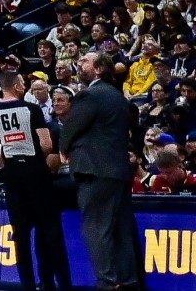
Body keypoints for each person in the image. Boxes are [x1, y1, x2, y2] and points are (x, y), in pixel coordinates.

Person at [59, 52, 144, 291]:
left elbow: (72, 126)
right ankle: (127, 281)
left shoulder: (90, 94)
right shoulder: (117, 95)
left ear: (98, 70)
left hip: (95, 170)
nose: (79, 63)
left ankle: (107, 282)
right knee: (120, 229)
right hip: (118, 171)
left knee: (96, 227)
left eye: (85, 61)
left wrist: (63, 147)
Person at [0, 71, 70, 291]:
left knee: (20, 237)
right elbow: (47, 144)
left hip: (12, 174)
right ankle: (62, 284)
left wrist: (7, 160)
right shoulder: (31, 109)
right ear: (17, 86)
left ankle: (27, 286)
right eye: (23, 83)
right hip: (36, 171)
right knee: (50, 231)